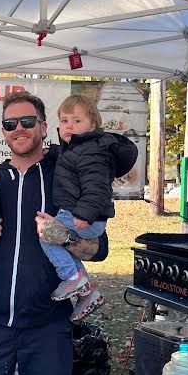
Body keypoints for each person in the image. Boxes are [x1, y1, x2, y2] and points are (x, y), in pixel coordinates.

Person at [0, 92, 110, 375]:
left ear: (43, 127)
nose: (19, 128)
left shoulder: (66, 173)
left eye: (27, 121)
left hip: (48, 325)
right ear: (2, 131)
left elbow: (100, 248)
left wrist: (64, 237)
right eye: (10, 123)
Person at [40, 94, 138, 322]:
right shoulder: (78, 149)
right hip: (81, 215)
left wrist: (85, 213)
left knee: (46, 235)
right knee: (58, 243)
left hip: (85, 217)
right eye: (64, 121)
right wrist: (54, 151)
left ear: (93, 125)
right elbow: (70, 162)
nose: (69, 126)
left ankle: (73, 278)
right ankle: (87, 292)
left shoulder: (92, 151)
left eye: (77, 121)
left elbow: (96, 186)